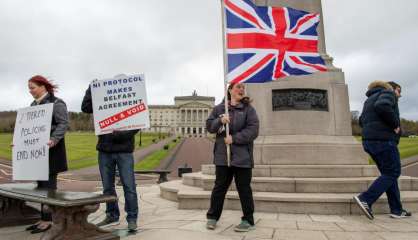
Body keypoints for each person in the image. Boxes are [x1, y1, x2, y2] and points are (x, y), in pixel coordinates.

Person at [81, 84, 139, 232]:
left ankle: (132, 218)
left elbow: (138, 124)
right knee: (107, 187)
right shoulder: (103, 101)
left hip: (124, 150)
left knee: (129, 186)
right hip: (105, 149)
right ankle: (112, 214)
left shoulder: (132, 101)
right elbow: (85, 107)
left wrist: (119, 135)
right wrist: (90, 90)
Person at [205, 82, 259, 232]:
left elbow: (253, 130)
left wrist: (234, 138)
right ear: (230, 90)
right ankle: (213, 217)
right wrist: (219, 120)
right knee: (219, 187)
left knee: (244, 189)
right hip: (223, 156)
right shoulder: (219, 109)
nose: (241, 89)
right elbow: (209, 126)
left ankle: (248, 220)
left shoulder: (249, 110)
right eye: (238, 87)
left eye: (243, 88)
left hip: (242, 157)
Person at [354, 80, 411, 220]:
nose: (399, 95)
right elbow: (383, 106)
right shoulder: (388, 93)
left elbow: (361, 120)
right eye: (399, 91)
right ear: (393, 88)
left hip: (369, 142)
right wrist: (395, 124)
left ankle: (397, 209)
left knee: (389, 174)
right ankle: (365, 199)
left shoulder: (369, 100)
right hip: (383, 141)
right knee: (393, 172)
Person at [24, 75, 69, 234]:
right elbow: (28, 129)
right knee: (41, 187)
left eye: (32, 87)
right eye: (29, 88)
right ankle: (43, 218)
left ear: (43, 86)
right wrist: (20, 141)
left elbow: (63, 123)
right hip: (37, 154)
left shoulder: (57, 103)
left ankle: (50, 220)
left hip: (52, 151)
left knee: (49, 187)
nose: (30, 91)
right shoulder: (32, 105)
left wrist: (53, 139)